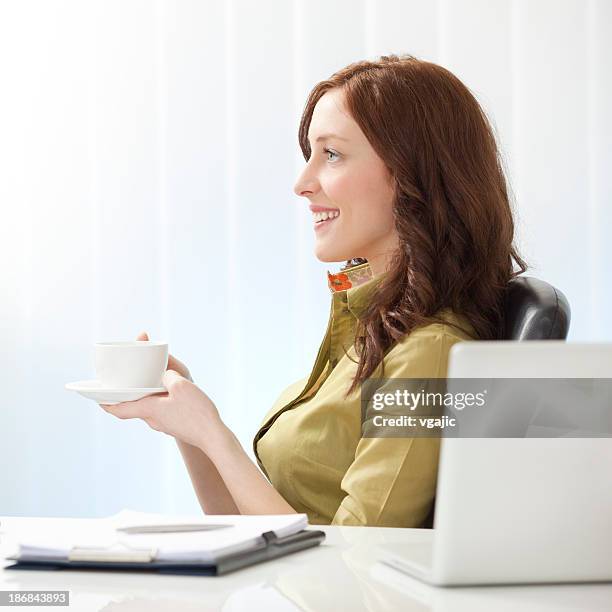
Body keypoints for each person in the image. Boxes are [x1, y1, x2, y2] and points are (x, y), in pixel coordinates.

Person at [101, 55, 526, 527]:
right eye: (310, 154)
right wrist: (188, 424)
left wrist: (214, 432)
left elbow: (354, 563)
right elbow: (239, 525)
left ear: (413, 172)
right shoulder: (369, 325)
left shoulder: (429, 351)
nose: (303, 184)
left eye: (332, 154)